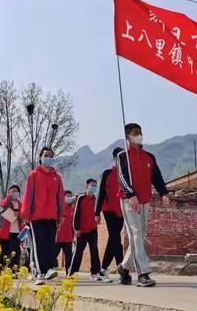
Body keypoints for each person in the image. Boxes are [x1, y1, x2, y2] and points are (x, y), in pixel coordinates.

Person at [117, 123, 170, 287]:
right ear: (128, 136)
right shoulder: (122, 156)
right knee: (136, 234)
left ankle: (124, 268)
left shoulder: (149, 157)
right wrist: (131, 195)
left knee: (140, 235)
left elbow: (157, 177)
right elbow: (122, 177)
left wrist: (164, 193)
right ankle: (143, 273)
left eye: (140, 132)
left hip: (145, 200)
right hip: (129, 201)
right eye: (135, 132)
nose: (139, 135)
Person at [21, 147, 64, 285]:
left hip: (51, 216)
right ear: (40, 157)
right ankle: (40, 273)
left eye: (51, 156)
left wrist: (60, 215)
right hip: (36, 216)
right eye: (46, 155)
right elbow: (28, 195)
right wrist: (26, 214)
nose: (49, 158)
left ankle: (49, 269)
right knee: (39, 244)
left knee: (50, 244)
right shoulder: (33, 175)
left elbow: (60, 198)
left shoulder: (57, 177)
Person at [69, 179, 112, 282]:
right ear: (87, 186)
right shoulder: (81, 198)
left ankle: (94, 273)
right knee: (78, 252)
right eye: (92, 185)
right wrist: (76, 229)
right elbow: (76, 215)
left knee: (94, 252)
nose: (94, 187)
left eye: (95, 186)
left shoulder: (96, 199)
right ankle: (71, 273)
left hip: (92, 230)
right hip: (81, 231)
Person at [95, 147, 125, 276]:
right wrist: (96, 212)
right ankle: (122, 267)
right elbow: (101, 192)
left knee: (114, 239)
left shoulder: (127, 174)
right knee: (115, 237)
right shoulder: (107, 172)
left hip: (122, 210)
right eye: (120, 156)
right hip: (108, 209)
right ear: (115, 158)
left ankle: (103, 269)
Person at [0, 185, 24, 270]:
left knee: (15, 251)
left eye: (16, 191)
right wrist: (9, 198)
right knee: (3, 251)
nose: (14, 193)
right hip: (4, 232)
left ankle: (14, 270)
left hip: (16, 231)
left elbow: (22, 217)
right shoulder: (6, 202)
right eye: (12, 191)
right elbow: (4, 207)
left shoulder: (21, 204)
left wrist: (15, 216)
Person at [55, 190, 74, 274]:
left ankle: (69, 272)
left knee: (69, 257)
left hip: (68, 238)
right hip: (57, 237)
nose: (69, 198)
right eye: (67, 196)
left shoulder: (73, 209)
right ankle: (47, 269)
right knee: (53, 255)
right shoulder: (58, 208)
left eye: (70, 196)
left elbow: (74, 224)